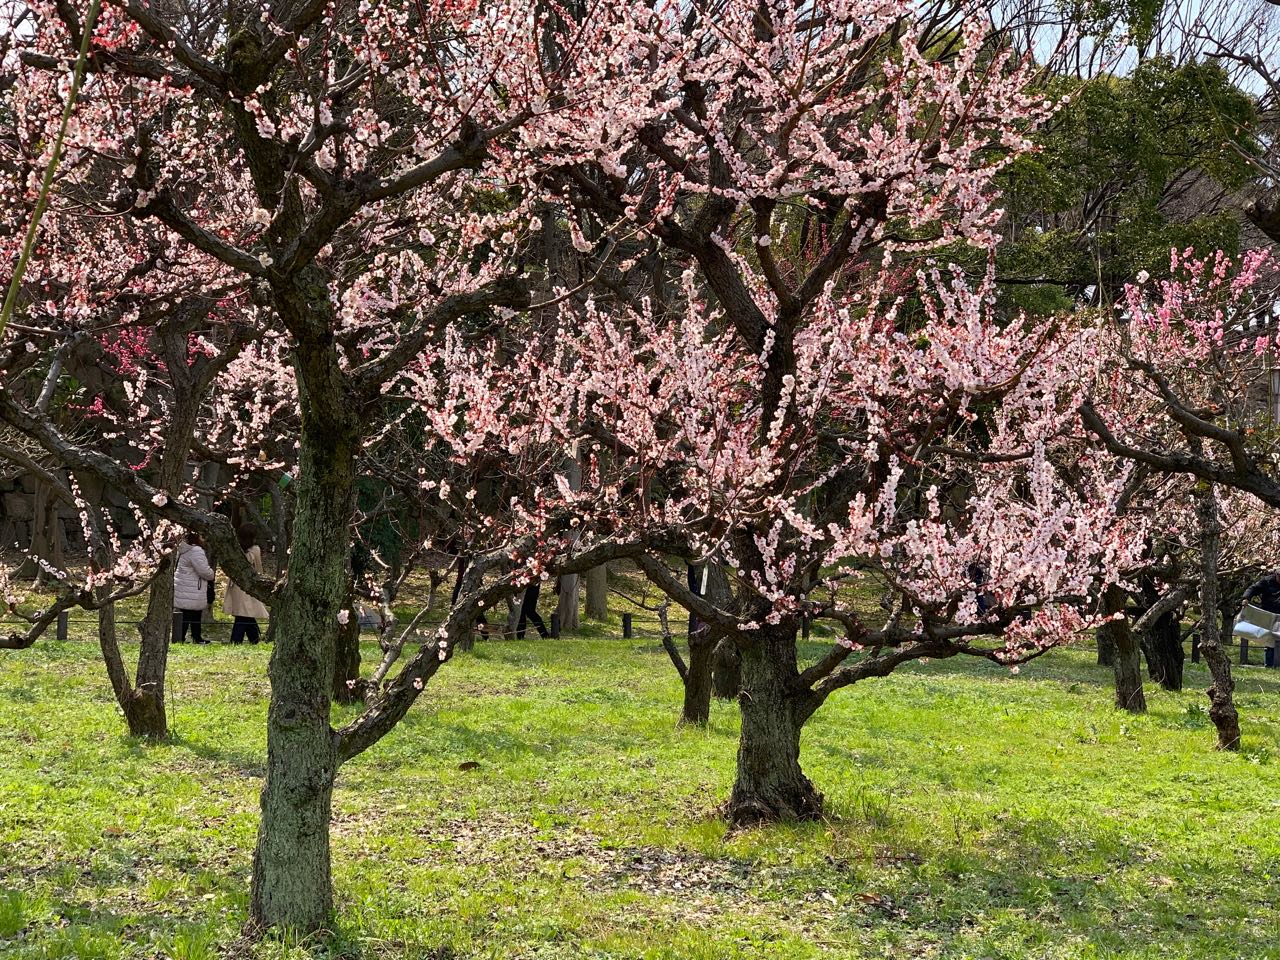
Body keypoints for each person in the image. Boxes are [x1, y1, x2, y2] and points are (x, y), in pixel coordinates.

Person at [224, 525, 269, 644]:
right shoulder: (254, 549)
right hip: (248, 584)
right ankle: (236, 640)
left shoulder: (235, 548)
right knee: (244, 614)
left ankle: (254, 639)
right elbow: (258, 569)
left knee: (245, 613)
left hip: (236, 584)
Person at [174, 532, 216, 644]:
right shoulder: (196, 551)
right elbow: (204, 571)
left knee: (189, 613)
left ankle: (192, 637)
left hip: (184, 587)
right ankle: (185, 638)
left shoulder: (183, 550)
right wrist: (212, 573)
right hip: (193, 588)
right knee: (190, 614)